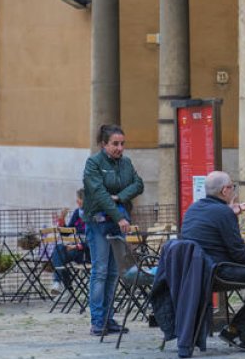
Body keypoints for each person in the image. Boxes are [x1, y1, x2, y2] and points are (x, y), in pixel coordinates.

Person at [180, 171, 245, 352]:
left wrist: (230, 213)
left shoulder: (194, 208)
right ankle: (237, 328)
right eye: (233, 187)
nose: (233, 191)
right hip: (217, 272)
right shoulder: (223, 212)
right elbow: (237, 251)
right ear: (225, 190)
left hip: (194, 273)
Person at [82, 124, 144, 336]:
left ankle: (108, 318)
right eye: (115, 144)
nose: (120, 148)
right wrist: (118, 216)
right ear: (103, 144)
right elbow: (99, 193)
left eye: (122, 143)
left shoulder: (126, 163)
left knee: (112, 273)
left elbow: (138, 184)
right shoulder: (93, 163)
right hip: (98, 221)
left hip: (118, 221)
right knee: (100, 271)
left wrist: (120, 197)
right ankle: (97, 321)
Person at [49, 188, 89, 294]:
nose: (77, 201)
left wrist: (76, 246)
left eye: (79, 199)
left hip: (87, 252)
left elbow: (94, 239)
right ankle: (59, 284)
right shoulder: (77, 213)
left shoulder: (93, 215)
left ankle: (65, 288)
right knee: (58, 249)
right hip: (76, 249)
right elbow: (66, 232)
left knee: (61, 255)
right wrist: (62, 219)